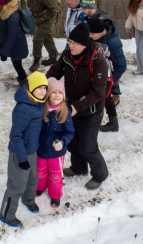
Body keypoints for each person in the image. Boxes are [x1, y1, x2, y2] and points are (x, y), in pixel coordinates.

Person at [46, 23, 109, 190]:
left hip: (91, 111)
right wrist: (40, 88)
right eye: (69, 41)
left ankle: (100, 174)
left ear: (84, 44)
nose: (70, 45)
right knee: (73, 142)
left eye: (74, 43)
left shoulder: (98, 61)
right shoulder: (67, 55)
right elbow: (53, 73)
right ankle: (79, 168)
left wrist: (77, 107)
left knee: (88, 147)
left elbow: (98, 92)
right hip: (72, 108)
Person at [0, 71, 48, 227]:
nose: (43, 91)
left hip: (32, 150)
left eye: (45, 88)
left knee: (32, 178)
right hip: (19, 153)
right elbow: (15, 136)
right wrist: (21, 159)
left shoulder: (38, 102)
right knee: (17, 185)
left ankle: (28, 200)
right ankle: (6, 214)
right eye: (39, 88)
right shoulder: (23, 108)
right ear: (31, 87)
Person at [36, 77, 74, 208]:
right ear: (48, 95)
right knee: (40, 171)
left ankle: (55, 195)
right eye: (53, 92)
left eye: (60, 92)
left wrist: (63, 142)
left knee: (56, 175)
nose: (57, 95)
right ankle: (40, 187)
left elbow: (70, 132)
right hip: (41, 149)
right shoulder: (42, 110)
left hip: (57, 151)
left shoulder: (65, 112)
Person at [87, 16, 127, 132]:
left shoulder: (113, 43)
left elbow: (122, 65)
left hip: (107, 76)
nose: (90, 36)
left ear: (102, 31)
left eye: (92, 34)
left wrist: (111, 81)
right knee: (105, 97)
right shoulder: (93, 37)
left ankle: (98, 125)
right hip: (96, 73)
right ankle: (113, 123)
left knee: (101, 97)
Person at [19, 0, 59, 72]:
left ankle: (36, 61)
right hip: (38, 16)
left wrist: (43, 18)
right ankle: (54, 57)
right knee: (46, 36)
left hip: (47, 17)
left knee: (37, 39)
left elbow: (53, 8)